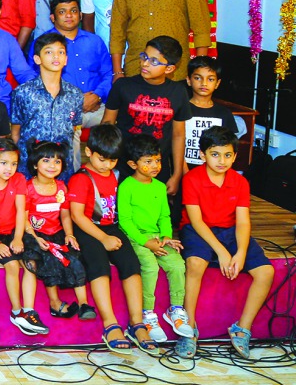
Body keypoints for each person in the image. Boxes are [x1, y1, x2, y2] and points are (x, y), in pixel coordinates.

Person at [177, 126, 274, 359]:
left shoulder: (240, 183)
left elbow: (242, 222)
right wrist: (221, 252)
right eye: (215, 154)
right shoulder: (191, 179)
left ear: (235, 156)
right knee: (195, 265)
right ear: (202, 155)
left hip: (230, 230)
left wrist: (240, 252)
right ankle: (188, 328)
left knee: (266, 272)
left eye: (228, 155)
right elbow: (197, 221)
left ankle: (242, 328)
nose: (222, 161)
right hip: (198, 229)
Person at [66, 125, 152, 352]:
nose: (107, 165)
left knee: (131, 264)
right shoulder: (81, 178)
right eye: (102, 159)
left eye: (113, 160)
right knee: (99, 266)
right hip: (87, 229)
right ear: (89, 153)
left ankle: (136, 322)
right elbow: (76, 215)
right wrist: (103, 238)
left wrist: (110, 235)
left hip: (110, 227)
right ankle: (109, 322)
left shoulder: (115, 175)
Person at [118, 135, 191, 350]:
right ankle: (147, 314)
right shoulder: (127, 186)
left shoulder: (159, 187)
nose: (155, 166)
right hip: (135, 236)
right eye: (148, 161)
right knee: (149, 266)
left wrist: (167, 236)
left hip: (157, 236)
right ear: (133, 164)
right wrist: (145, 242)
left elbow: (164, 217)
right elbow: (125, 221)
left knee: (177, 265)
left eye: (158, 160)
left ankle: (175, 310)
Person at [0, 138, 48, 336]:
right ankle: (16, 312)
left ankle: (29, 310)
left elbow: (20, 211)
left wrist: (17, 238)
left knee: (31, 263)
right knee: (13, 266)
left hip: (14, 231)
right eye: (4, 163)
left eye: (14, 164)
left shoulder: (18, 180)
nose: (9, 168)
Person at [103, 35, 191, 198]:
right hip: (123, 166)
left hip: (157, 169)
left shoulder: (178, 92)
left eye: (154, 61)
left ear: (170, 68)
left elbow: (178, 135)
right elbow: (107, 125)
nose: (145, 63)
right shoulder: (123, 86)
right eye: (144, 57)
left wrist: (177, 174)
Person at [19, 141, 90, 323]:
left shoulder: (61, 187)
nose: (52, 165)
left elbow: (65, 215)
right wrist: (35, 238)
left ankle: (84, 304)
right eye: (46, 160)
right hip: (34, 234)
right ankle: (54, 302)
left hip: (57, 232)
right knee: (48, 260)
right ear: (35, 164)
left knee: (74, 257)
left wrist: (69, 234)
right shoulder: (27, 188)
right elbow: (24, 218)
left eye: (57, 162)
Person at [10, 32, 84, 180]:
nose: (56, 56)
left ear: (66, 59)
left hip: (61, 169)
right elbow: (16, 132)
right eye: (49, 52)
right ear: (37, 59)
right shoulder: (23, 92)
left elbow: (74, 128)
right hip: (29, 170)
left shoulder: (75, 94)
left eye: (61, 52)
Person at [47, 0, 112, 141]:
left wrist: (97, 96)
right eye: (62, 12)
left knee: (117, 131)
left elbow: (108, 74)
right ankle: (74, 166)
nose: (69, 15)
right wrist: (75, 100)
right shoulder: (45, 43)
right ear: (53, 17)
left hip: (98, 105)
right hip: (63, 108)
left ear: (81, 15)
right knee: (65, 134)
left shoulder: (95, 41)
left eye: (74, 11)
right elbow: (38, 79)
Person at [185, 56, 243, 168]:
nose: (204, 83)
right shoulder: (181, 109)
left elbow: (229, 147)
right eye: (198, 78)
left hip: (214, 173)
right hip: (186, 171)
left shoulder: (224, 113)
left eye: (210, 79)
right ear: (188, 80)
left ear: (217, 83)